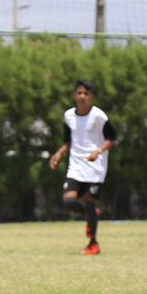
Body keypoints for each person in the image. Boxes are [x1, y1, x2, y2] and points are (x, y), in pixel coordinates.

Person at [49, 79, 116, 255]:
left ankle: (93, 244)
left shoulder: (99, 116)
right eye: (79, 93)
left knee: (88, 201)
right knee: (69, 200)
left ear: (92, 96)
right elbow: (69, 140)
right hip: (76, 165)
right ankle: (90, 215)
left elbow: (112, 138)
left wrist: (98, 151)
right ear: (74, 95)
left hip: (95, 168)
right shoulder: (68, 116)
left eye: (86, 94)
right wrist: (59, 153)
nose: (82, 96)